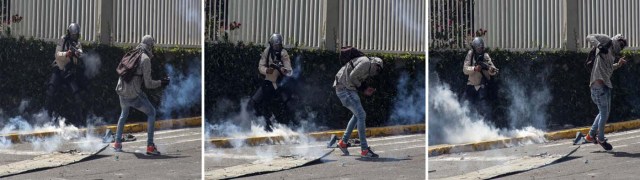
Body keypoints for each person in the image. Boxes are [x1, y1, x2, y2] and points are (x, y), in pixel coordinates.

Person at [113, 35, 169, 155]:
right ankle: (150, 146)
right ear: (149, 46)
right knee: (152, 112)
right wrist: (161, 82)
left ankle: (117, 143)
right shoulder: (145, 59)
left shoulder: (131, 53)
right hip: (132, 95)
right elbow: (148, 84)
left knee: (124, 114)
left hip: (121, 91)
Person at [333, 54, 384, 158]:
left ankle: (343, 143)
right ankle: (364, 150)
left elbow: (355, 78)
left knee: (357, 115)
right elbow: (352, 77)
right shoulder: (366, 63)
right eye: (377, 70)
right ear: (375, 64)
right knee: (361, 115)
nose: (376, 73)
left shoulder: (366, 65)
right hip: (344, 89)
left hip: (345, 88)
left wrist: (365, 89)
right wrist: (363, 88)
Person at [584, 34, 628, 149]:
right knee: (604, 113)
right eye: (621, 43)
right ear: (617, 39)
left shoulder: (613, 53)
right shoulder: (607, 41)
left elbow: (608, 68)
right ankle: (600, 138)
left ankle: (590, 136)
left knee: (603, 112)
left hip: (606, 86)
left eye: (623, 46)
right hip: (598, 86)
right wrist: (599, 46)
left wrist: (618, 64)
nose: (621, 46)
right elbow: (589, 37)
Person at [249, 33, 294, 132]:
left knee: (288, 104)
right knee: (254, 102)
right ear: (271, 44)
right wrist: (266, 70)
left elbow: (289, 70)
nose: (277, 47)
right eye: (275, 45)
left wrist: (283, 70)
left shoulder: (284, 53)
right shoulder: (267, 51)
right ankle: (263, 125)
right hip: (268, 82)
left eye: (279, 45)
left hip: (280, 83)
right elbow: (261, 66)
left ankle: (290, 126)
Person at [46, 23, 88, 126]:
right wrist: (66, 54)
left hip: (69, 72)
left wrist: (77, 54)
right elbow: (57, 54)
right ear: (69, 33)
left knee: (77, 95)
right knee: (50, 91)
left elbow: (81, 53)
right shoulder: (63, 39)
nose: (75, 37)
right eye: (73, 35)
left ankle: (80, 120)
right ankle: (48, 117)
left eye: (76, 35)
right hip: (59, 69)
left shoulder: (77, 44)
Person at [462, 37, 498, 118]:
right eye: (478, 48)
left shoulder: (486, 56)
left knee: (483, 110)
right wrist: (474, 68)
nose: (480, 50)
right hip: (471, 86)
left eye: (482, 48)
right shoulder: (470, 54)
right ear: (474, 48)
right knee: (465, 107)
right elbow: (465, 69)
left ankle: (485, 128)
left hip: (482, 87)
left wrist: (491, 70)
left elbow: (493, 70)